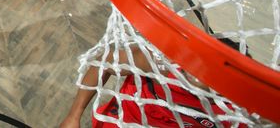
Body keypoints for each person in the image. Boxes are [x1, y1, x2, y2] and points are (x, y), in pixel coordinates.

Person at [59, 39, 245, 128]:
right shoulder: (162, 64)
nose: (197, 71)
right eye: (200, 62)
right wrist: (73, 116)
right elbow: (104, 63)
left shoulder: (238, 114)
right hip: (120, 121)